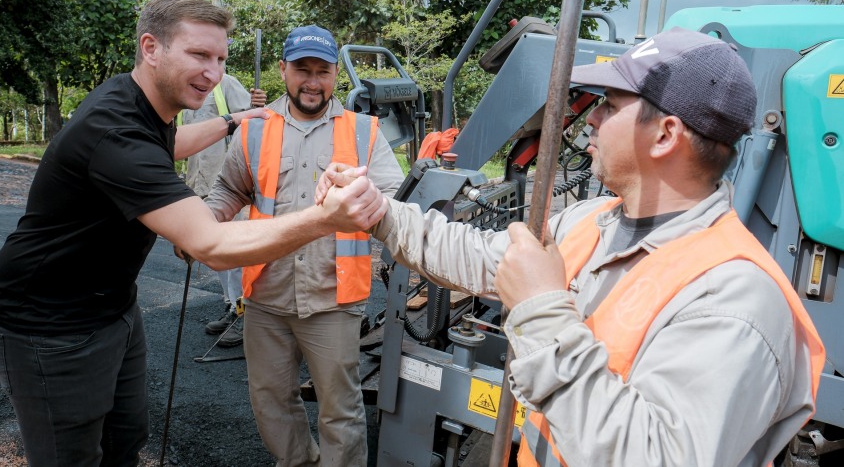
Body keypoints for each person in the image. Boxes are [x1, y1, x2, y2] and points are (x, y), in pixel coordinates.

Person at [320, 27, 824, 466]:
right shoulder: (592, 221)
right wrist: (379, 212)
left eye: (610, 106)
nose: (592, 119)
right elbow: (477, 256)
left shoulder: (734, 299)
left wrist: (541, 310)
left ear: (666, 134)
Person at [0, 0, 387, 467]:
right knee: (70, 455)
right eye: (198, 55)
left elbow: (170, 144)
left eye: (219, 58)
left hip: (114, 307)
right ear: (150, 48)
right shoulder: (118, 131)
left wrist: (231, 120)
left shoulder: (139, 107)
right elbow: (209, 241)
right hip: (48, 322)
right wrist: (324, 218)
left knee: (126, 437)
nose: (213, 73)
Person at [203, 24, 404, 466]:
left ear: (336, 75)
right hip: (266, 296)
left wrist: (367, 200)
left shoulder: (363, 132)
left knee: (340, 411)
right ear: (283, 70)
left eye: (323, 71)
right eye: (302, 69)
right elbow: (228, 191)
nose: (312, 82)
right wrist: (201, 223)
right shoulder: (255, 129)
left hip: (334, 298)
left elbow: (394, 201)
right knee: (271, 401)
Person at [179, 74, 267, 347]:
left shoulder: (226, 84)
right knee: (216, 251)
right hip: (198, 182)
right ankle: (231, 305)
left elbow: (252, 119)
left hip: (229, 186)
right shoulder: (183, 91)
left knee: (236, 254)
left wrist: (255, 103)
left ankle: (244, 311)